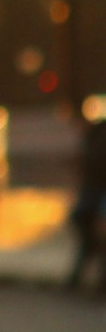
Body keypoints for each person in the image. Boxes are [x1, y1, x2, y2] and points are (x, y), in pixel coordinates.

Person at [69, 109, 106, 293]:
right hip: (93, 191)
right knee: (90, 232)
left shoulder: (98, 133)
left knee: (96, 234)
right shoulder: (96, 133)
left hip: (96, 191)